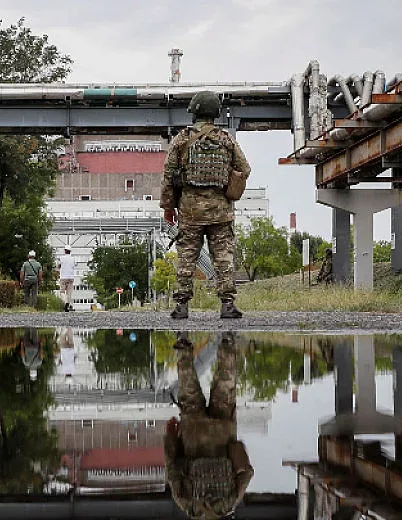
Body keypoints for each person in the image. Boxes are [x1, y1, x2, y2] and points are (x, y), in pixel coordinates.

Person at [161, 91, 251, 320]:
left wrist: (168, 207)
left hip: (190, 210)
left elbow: (169, 175)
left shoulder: (182, 139)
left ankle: (182, 306)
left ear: (194, 112)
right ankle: (227, 305)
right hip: (221, 210)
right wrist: (230, 189)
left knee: (186, 257)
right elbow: (244, 168)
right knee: (223, 257)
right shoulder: (225, 139)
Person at [166, 331, 253, 519]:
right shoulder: (189, 506)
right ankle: (182, 343)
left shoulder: (229, 504)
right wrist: (171, 438)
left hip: (223, 432)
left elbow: (247, 474)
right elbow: (172, 470)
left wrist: (237, 454)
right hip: (193, 434)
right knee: (188, 391)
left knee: (225, 386)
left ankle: (227, 341)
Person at [57, 246, 76, 312]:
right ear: (70, 251)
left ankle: (66, 302)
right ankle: (68, 304)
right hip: (70, 277)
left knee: (62, 292)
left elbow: (58, 266)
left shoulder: (61, 258)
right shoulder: (73, 258)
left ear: (65, 251)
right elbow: (74, 266)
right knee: (69, 292)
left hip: (63, 277)